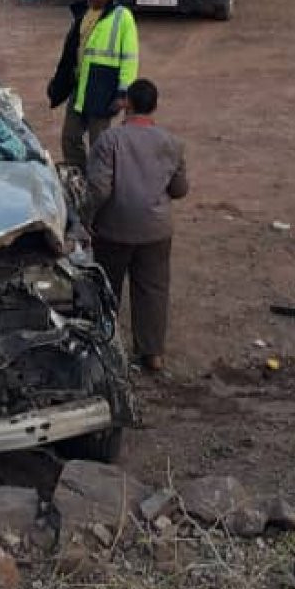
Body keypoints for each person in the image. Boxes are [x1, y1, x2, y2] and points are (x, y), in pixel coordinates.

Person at [84, 78, 188, 373]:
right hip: (156, 231)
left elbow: (99, 190)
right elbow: (180, 190)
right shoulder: (172, 143)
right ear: (155, 106)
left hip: (114, 229)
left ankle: (106, 350)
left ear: (126, 103)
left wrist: (85, 218)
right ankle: (152, 354)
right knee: (153, 290)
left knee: (107, 289)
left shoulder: (109, 140)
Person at [47, 0, 139, 173]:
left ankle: (100, 183)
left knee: (99, 143)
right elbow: (70, 55)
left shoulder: (122, 17)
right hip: (80, 88)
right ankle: (78, 176)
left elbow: (130, 59)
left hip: (104, 90)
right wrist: (58, 83)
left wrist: (123, 93)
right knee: (70, 137)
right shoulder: (82, 15)